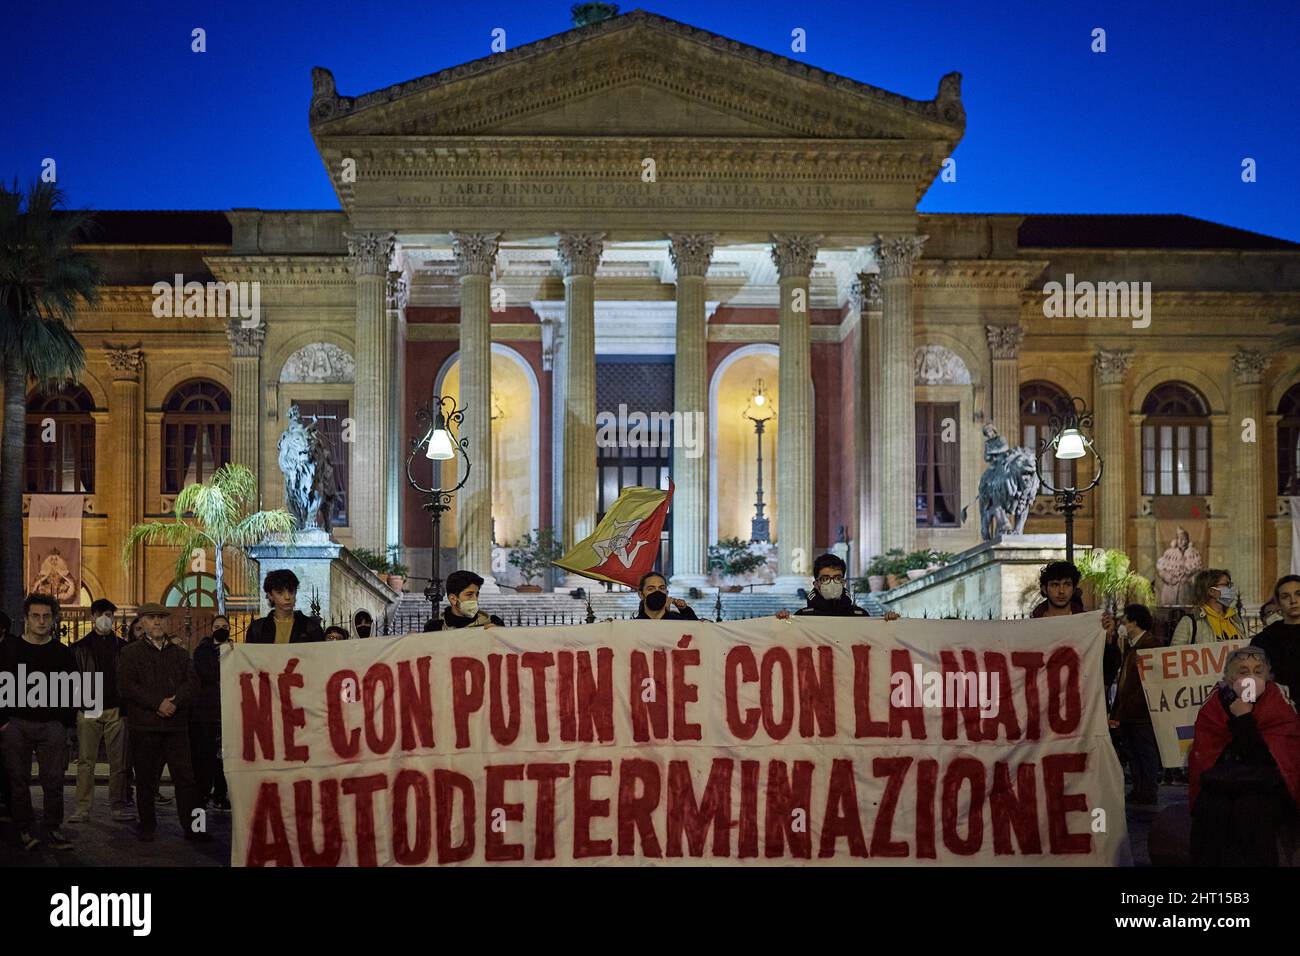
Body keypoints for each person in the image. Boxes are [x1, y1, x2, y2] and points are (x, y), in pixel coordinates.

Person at [1188, 646, 1300, 865]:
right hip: (1224, 783)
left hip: (1267, 786)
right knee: (1211, 809)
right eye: (1243, 671)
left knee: (1250, 809)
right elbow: (1208, 757)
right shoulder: (1214, 705)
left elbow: (1272, 760)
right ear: (1230, 677)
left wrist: (1244, 720)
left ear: (1268, 676)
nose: (1251, 676)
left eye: (1258, 671)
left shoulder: (1279, 703)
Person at [116, 603, 206, 842]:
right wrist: (158, 703)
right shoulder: (130, 653)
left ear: (167, 623)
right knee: (146, 780)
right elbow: (127, 686)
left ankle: (195, 827)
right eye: (151, 618)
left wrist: (175, 702)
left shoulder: (179, 652)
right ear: (142, 623)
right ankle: (147, 826)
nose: (157, 622)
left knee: (187, 780)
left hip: (176, 728)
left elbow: (192, 682)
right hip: (145, 727)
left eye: (161, 618)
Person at [0, 594, 78, 850]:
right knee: (17, 778)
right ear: (26, 619)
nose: (41, 621)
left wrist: (64, 723)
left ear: (54, 619)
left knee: (54, 779)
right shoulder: (8, 649)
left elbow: (72, 690)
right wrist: (3, 722)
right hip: (16, 724)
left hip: (51, 726)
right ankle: (23, 828)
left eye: (46, 616)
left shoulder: (62, 653)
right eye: (35, 616)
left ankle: (53, 827)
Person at [68, 598, 133, 823]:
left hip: (116, 708)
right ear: (92, 617)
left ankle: (118, 805)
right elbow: (71, 681)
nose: (106, 619)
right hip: (89, 708)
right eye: (101, 614)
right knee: (86, 761)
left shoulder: (124, 648)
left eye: (109, 614)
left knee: (119, 761)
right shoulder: (78, 648)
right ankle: (82, 807)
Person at [1107, 604, 1162, 807]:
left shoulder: (1149, 645)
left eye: (1125, 621)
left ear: (1134, 622)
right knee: (1133, 752)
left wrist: (1129, 705)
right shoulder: (1133, 647)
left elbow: (1147, 681)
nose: (1122, 625)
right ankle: (1140, 789)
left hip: (1141, 712)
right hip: (1129, 712)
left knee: (1144, 752)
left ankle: (1148, 790)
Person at [775, 553, 898, 619]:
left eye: (837, 577)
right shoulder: (802, 616)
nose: (832, 582)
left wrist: (889, 625)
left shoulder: (860, 615)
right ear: (817, 584)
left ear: (843, 582)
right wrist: (782, 624)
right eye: (825, 578)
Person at [190, 615, 229, 813]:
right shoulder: (202, 651)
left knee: (224, 758)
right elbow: (205, 674)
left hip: (228, 712)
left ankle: (221, 795)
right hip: (205, 713)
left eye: (224, 626)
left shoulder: (235, 650)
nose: (220, 629)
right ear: (211, 629)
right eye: (217, 626)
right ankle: (202, 797)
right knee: (205, 758)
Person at [1252, 575, 1300, 701]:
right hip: (1283, 711)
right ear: (1278, 603)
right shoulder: (1264, 640)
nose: (1293, 601)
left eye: (1298, 594)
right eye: (1285, 596)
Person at [245, 570, 326, 644]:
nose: (287, 597)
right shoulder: (257, 628)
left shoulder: (311, 627)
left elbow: (321, 655)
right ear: (270, 595)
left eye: (291, 591)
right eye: (280, 592)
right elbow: (248, 656)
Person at [1171, 569, 1244, 645]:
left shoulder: (1236, 620)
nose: (1231, 589)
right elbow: (1176, 653)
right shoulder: (1189, 622)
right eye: (1227, 585)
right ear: (1211, 591)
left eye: (1231, 585)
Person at [431, 571, 505, 630]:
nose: (475, 599)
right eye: (469, 594)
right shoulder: (435, 627)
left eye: (477, 594)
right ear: (453, 599)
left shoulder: (494, 623)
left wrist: (500, 633)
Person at [1156, 526, 1202, 607]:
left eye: (1184, 539)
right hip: (1170, 589)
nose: (1181, 541)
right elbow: (1162, 571)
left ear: (1187, 540)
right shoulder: (1169, 553)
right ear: (1176, 540)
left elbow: (1198, 572)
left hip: (1186, 590)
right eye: (1179, 539)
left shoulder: (1193, 553)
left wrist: (1189, 579)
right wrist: (1169, 577)